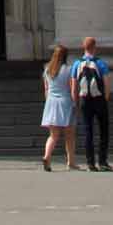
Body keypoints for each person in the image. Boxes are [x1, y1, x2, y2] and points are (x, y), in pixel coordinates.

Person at [71, 36, 112, 171]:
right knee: (103, 131)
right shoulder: (100, 63)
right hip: (99, 100)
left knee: (88, 131)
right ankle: (103, 162)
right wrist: (105, 99)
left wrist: (76, 102)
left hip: (85, 100)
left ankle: (90, 163)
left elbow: (74, 86)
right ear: (95, 47)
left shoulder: (76, 64)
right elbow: (106, 83)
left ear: (84, 47)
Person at [39, 44, 76, 172]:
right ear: (66, 56)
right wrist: (75, 102)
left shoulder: (47, 69)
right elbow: (72, 89)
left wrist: (48, 102)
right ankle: (71, 162)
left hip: (51, 102)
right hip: (65, 102)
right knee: (69, 135)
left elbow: (46, 90)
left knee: (53, 135)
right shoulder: (69, 69)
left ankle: (47, 156)